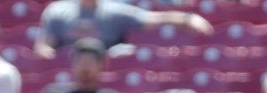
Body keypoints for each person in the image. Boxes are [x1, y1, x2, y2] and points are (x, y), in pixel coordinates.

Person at [33, 0, 213, 59]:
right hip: (72, 71)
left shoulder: (113, 11)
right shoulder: (57, 11)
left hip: (103, 70)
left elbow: (152, 18)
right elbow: (44, 47)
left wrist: (188, 18)